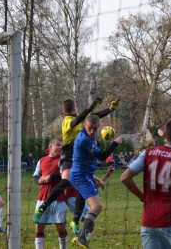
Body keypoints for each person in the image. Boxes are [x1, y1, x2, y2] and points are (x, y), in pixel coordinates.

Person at [33, 97, 120, 225]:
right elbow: (77, 121)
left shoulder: (81, 119)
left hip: (79, 157)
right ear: (74, 108)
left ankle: (75, 220)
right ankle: (42, 207)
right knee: (65, 181)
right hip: (68, 156)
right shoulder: (66, 121)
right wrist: (90, 107)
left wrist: (110, 109)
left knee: (81, 187)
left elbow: (94, 116)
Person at [120, 118, 171, 249]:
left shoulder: (148, 153)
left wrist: (142, 196)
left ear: (164, 134)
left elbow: (125, 178)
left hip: (149, 223)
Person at [70, 115, 122, 248]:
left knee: (92, 205)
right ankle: (80, 235)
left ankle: (79, 230)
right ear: (84, 126)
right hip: (80, 175)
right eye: (89, 128)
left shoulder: (90, 137)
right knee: (97, 207)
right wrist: (115, 143)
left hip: (85, 174)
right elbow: (103, 156)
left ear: (99, 127)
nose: (92, 131)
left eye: (94, 129)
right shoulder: (84, 140)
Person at [33, 138, 68, 249]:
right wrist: (39, 180)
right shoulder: (42, 160)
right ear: (50, 147)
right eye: (58, 145)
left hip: (58, 198)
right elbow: (35, 176)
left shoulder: (64, 160)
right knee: (39, 227)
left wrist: (51, 177)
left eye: (61, 146)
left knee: (60, 227)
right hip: (42, 198)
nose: (60, 147)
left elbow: (64, 175)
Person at [66, 166, 115, 243]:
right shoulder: (76, 168)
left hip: (82, 198)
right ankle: (80, 239)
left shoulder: (86, 174)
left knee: (90, 223)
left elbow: (95, 186)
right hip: (73, 198)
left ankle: (82, 240)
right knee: (87, 222)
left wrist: (107, 175)